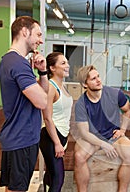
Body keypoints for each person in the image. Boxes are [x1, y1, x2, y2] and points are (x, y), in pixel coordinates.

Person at [0, 16, 49, 192]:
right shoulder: (18, 63)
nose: (40, 40)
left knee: (13, 187)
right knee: (17, 189)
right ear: (25, 32)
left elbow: (42, 94)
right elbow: (42, 101)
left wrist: (42, 72)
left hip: (19, 137)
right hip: (22, 138)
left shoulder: (11, 60)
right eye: (38, 34)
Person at [73, 65, 130, 192]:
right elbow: (84, 133)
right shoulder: (81, 104)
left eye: (98, 76)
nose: (98, 80)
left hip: (113, 135)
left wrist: (122, 130)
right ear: (85, 84)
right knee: (79, 157)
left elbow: (127, 110)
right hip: (92, 138)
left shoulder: (114, 93)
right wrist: (103, 144)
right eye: (93, 79)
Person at [39, 52, 73, 192]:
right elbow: (47, 117)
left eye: (67, 62)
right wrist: (57, 143)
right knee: (59, 179)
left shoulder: (63, 86)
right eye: (63, 63)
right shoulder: (51, 87)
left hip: (61, 136)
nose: (67, 66)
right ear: (52, 68)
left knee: (52, 175)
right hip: (51, 137)